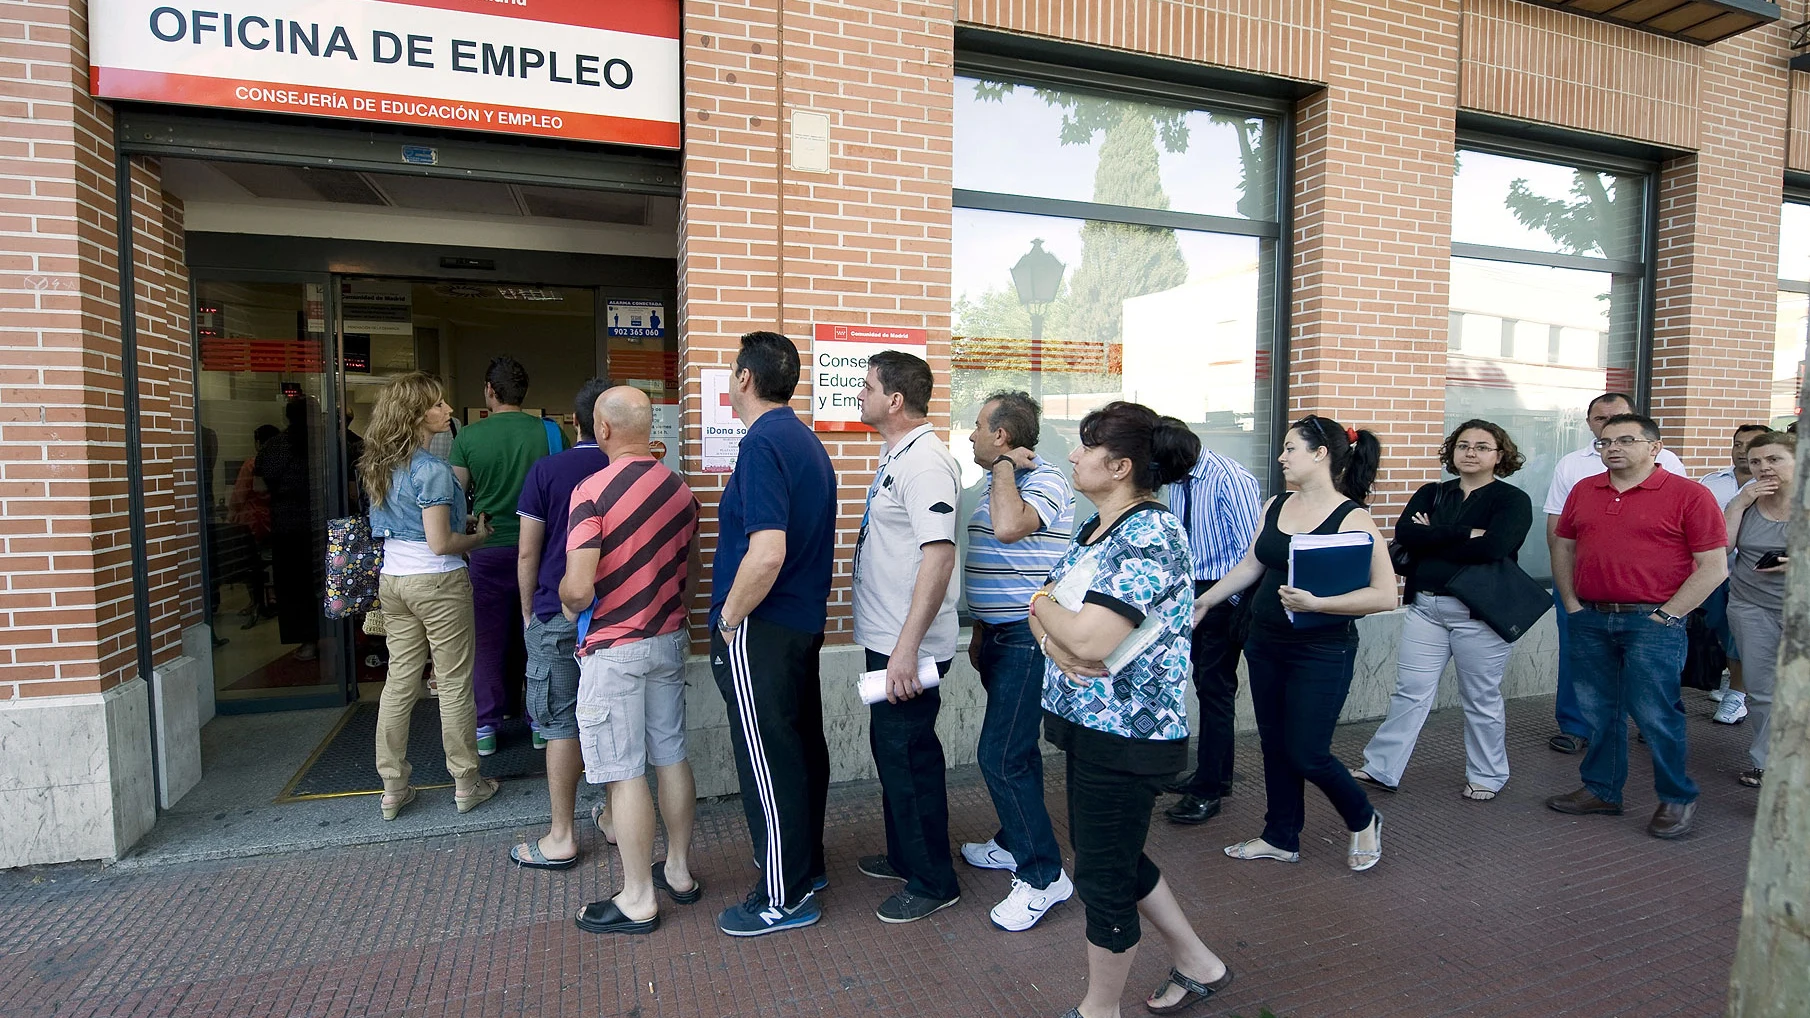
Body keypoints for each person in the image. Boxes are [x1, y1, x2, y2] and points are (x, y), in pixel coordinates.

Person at [1028, 401, 1235, 1018]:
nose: (1071, 455)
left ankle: (1099, 1009)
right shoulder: (1101, 528)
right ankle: (1199, 962)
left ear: (1119, 466)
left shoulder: (1150, 534)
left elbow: (1089, 639)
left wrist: (1041, 609)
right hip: (1092, 727)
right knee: (1111, 856)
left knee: (1101, 878)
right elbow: (1056, 620)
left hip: (1127, 737)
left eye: (1085, 446)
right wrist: (1046, 622)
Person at [1198, 415, 1396, 870]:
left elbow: (1384, 594)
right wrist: (1205, 601)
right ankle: (1280, 836)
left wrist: (1317, 603)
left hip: (1322, 651)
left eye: (1291, 448)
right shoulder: (1276, 504)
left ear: (1320, 454)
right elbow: (1251, 565)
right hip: (1264, 642)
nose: (1282, 457)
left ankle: (1364, 817)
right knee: (1273, 744)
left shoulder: (1353, 517)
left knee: (1307, 752)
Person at [559, 387, 702, 935]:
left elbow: (577, 585)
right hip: (668, 638)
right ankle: (680, 872)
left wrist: (571, 601)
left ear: (603, 428)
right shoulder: (679, 489)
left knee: (623, 774)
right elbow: (689, 573)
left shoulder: (590, 490)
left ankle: (638, 896)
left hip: (614, 649)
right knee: (670, 756)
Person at [710, 331, 838, 937]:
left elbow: (765, 554)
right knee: (795, 751)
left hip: (762, 626)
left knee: (767, 763)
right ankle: (803, 869)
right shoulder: (804, 441)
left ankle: (781, 897)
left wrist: (730, 619)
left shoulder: (762, 444)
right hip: (796, 624)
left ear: (744, 379)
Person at [1546, 413, 1726, 840]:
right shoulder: (1583, 491)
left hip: (1653, 623)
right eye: (1605, 441)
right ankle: (1602, 790)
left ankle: (1677, 796)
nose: (1612, 447)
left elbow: (1713, 567)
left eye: (1626, 439)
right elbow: (1563, 548)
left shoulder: (1689, 495)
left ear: (1654, 447)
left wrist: (1668, 615)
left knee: (1656, 713)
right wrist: (1571, 604)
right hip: (1589, 616)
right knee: (1597, 711)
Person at [1352, 420, 1532, 800]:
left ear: (1500, 456)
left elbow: (1494, 549)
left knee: (1481, 697)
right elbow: (1405, 534)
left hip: (1478, 614)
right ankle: (1382, 768)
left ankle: (1487, 775)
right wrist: (1465, 532)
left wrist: (1433, 535)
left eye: (1482, 447)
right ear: (1452, 452)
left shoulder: (1512, 501)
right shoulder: (1432, 492)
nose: (1471, 452)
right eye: (1463, 445)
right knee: (1410, 692)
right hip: (1426, 608)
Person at [850, 351, 963, 924]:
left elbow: (938, 556)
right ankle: (904, 855)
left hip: (906, 646)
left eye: (867, 387)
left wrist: (906, 648)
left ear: (895, 399)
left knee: (910, 757)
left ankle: (932, 880)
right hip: (890, 639)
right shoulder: (898, 454)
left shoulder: (926, 463)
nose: (859, 394)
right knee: (892, 753)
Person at [958, 390, 1077, 931]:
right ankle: (1014, 840)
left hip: (1030, 639)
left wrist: (1006, 468)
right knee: (1017, 751)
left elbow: (1009, 529)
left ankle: (1042, 875)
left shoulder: (1044, 480)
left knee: (1000, 756)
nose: (971, 435)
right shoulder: (993, 482)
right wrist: (981, 628)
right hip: (999, 636)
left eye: (980, 427)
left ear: (1002, 437)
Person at [361, 372, 498, 821]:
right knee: (454, 683)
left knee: (400, 682)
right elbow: (441, 543)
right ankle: (466, 782)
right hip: (437, 581)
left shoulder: (378, 465)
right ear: (416, 415)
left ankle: (393, 786)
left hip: (394, 581)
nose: (446, 411)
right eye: (437, 405)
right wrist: (477, 538)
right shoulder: (431, 470)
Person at [1542, 392, 1687, 756]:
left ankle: (1648, 728)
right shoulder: (1572, 465)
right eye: (1600, 421)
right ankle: (1576, 727)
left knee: (1649, 666)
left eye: (1618, 419)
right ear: (1590, 424)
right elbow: (1558, 530)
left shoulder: (1668, 462)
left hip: (1647, 593)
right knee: (1578, 658)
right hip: (1583, 585)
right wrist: (1567, 590)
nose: (1608, 428)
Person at [506, 378, 610, 869]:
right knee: (614, 715)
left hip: (556, 609)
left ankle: (562, 835)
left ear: (576, 421)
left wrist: (528, 609)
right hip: (616, 615)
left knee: (561, 720)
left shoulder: (546, 471)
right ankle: (613, 814)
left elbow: (528, 548)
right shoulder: (635, 470)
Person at [451, 356, 559, 756]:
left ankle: (486, 727)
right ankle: (540, 725)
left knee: (489, 639)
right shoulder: (550, 433)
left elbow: (453, 498)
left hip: (489, 550)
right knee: (538, 636)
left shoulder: (468, 438)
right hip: (543, 549)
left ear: (489, 391)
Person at [1163, 442, 1261, 826]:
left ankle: (1208, 790)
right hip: (1193, 591)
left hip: (1223, 591)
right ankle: (1215, 774)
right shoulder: (1179, 479)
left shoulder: (1228, 477)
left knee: (1216, 688)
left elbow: (1250, 549)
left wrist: (1229, 603)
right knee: (1207, 685)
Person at [1721, 431, 1794, 789]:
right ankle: (1766, 765)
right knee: (1763, 690)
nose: (1764, 468)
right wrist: (1736, 505)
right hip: (1751, 607)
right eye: (1755, 462)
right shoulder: (1746, 501)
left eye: (1774, 459)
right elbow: (1721, 550)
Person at [1700, 423, 1770, 724]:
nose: (1742, 450)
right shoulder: (1712, 482)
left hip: (1757, 578)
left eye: (1751, 445)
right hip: (1715, 573)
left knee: (1740, 639)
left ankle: (1737, 696)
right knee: (1716, 629)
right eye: (1738, 444)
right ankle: (1729, 681)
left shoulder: (1778, 486)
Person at [256, 395, 325, 662]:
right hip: (322, 524)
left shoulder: (274, 446)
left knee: (294, 586)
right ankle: (338, 635)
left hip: (287, 525)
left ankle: (307, 642)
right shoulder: (326, 444)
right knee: (328, 582)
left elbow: (259, 487)